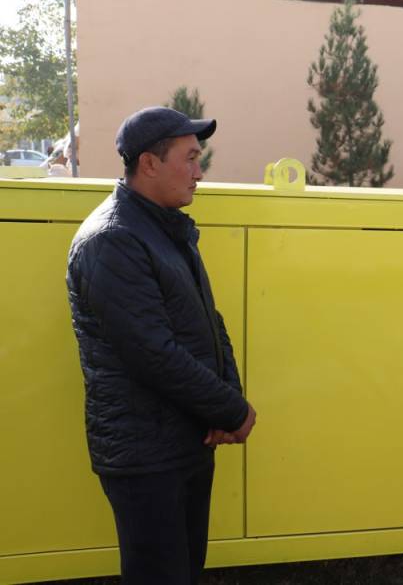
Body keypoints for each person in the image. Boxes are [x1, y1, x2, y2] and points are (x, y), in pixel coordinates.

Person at [66, 107, 256, 584]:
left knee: (184, 572)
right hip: (146, 457)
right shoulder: (113, 240)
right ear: (149, 164)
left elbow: (209, 322)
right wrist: (231, 410)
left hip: (184, 441)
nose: (199, 172)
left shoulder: (165, 229)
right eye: (189, 158)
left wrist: (224, 403)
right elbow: (153, 352)